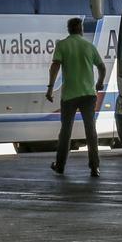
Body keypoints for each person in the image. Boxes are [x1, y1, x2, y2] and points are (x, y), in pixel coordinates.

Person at [46, 17, 106, 177]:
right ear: (81, 29)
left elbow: (55, 66)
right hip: (88, 94)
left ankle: (60, 165)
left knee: (66, 131)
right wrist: (99, 83)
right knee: (90, 130)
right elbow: (102, 67)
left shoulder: (62, 45)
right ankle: (95, 167)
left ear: (69, 29)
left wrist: (50, 88)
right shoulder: (89, 46)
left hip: (69, 95)